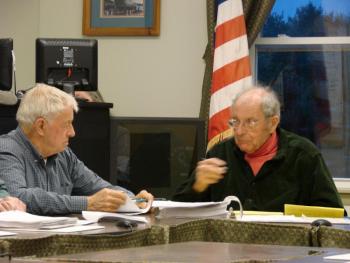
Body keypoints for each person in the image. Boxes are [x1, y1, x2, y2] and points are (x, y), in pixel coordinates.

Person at [173, 86, 344, 212]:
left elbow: (334, 215)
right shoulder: (219, 154)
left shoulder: (304, 156)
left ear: (273, 123)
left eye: (250, 122)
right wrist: (197, 186)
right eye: (235, 121)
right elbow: (177, 212)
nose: (239, 131)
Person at [0, 84, 153, 215]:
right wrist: (88, 203)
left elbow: (100, 187)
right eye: (67, 124)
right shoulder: (7, 149)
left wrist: (133, 199)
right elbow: (17, 197)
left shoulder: (63, 154)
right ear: (41, 126)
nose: (72, 132)